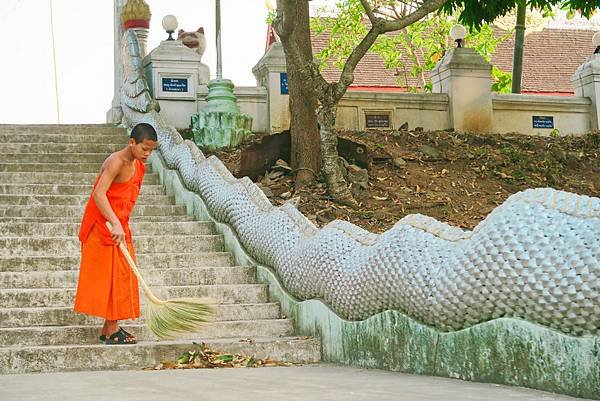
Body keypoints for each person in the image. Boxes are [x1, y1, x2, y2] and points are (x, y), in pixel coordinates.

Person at [74, 123, 158, 345]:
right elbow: (99, 194)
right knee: (109, 277)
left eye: (151, 150)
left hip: (118, 226)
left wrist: (120, 224)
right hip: (102, 226)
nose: (147, 154)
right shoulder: (116, 162)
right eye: (144, 149)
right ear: (132, 143)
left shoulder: (138, 165)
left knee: (121, 275)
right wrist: (114, 222)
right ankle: (112, 329)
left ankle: (108, 328)